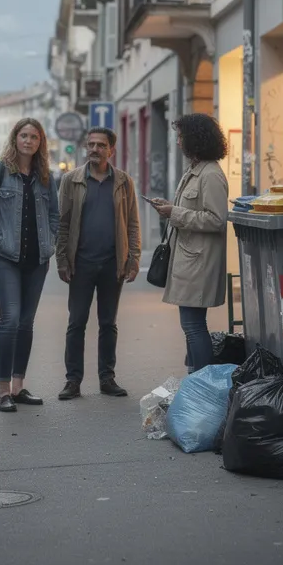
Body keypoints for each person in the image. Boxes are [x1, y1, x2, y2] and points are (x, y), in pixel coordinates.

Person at [0, 118, 59, 412]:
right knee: (10, 320)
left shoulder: (46, 176)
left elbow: (54, 215)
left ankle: (19, 387)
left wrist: (50, 243)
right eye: (23, 135)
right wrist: (1, 242)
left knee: (26, 323)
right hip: (6, 259)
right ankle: (3, 392)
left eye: (34, 137)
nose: (28, 141)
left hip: (37, 260)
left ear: (40, 142)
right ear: (15, 139)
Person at [54, 127, 141, 401]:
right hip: (80, 263)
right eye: (90, 144)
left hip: (112, 263)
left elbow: (133, 224)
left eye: (100, 145)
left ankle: (107, 378)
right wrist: (62, 260)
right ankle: (73, 381)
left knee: (108, 323)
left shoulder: (124, 182)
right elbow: (63, 223)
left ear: (110, 150)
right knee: (76, 322)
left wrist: (133, 259)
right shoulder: (71, 180)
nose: (94, 149)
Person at [146, 113, 229, 374]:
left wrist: (175, 213)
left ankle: (201, 383)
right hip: (190, 259)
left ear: (195, 139)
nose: (179, 142)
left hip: (200, 262)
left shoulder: (211, 175)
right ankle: (194, 379)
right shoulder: (194, 172)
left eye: (182, 137)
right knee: (191, 326)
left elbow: (216, 220)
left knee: (194, 327)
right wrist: (170, 207)